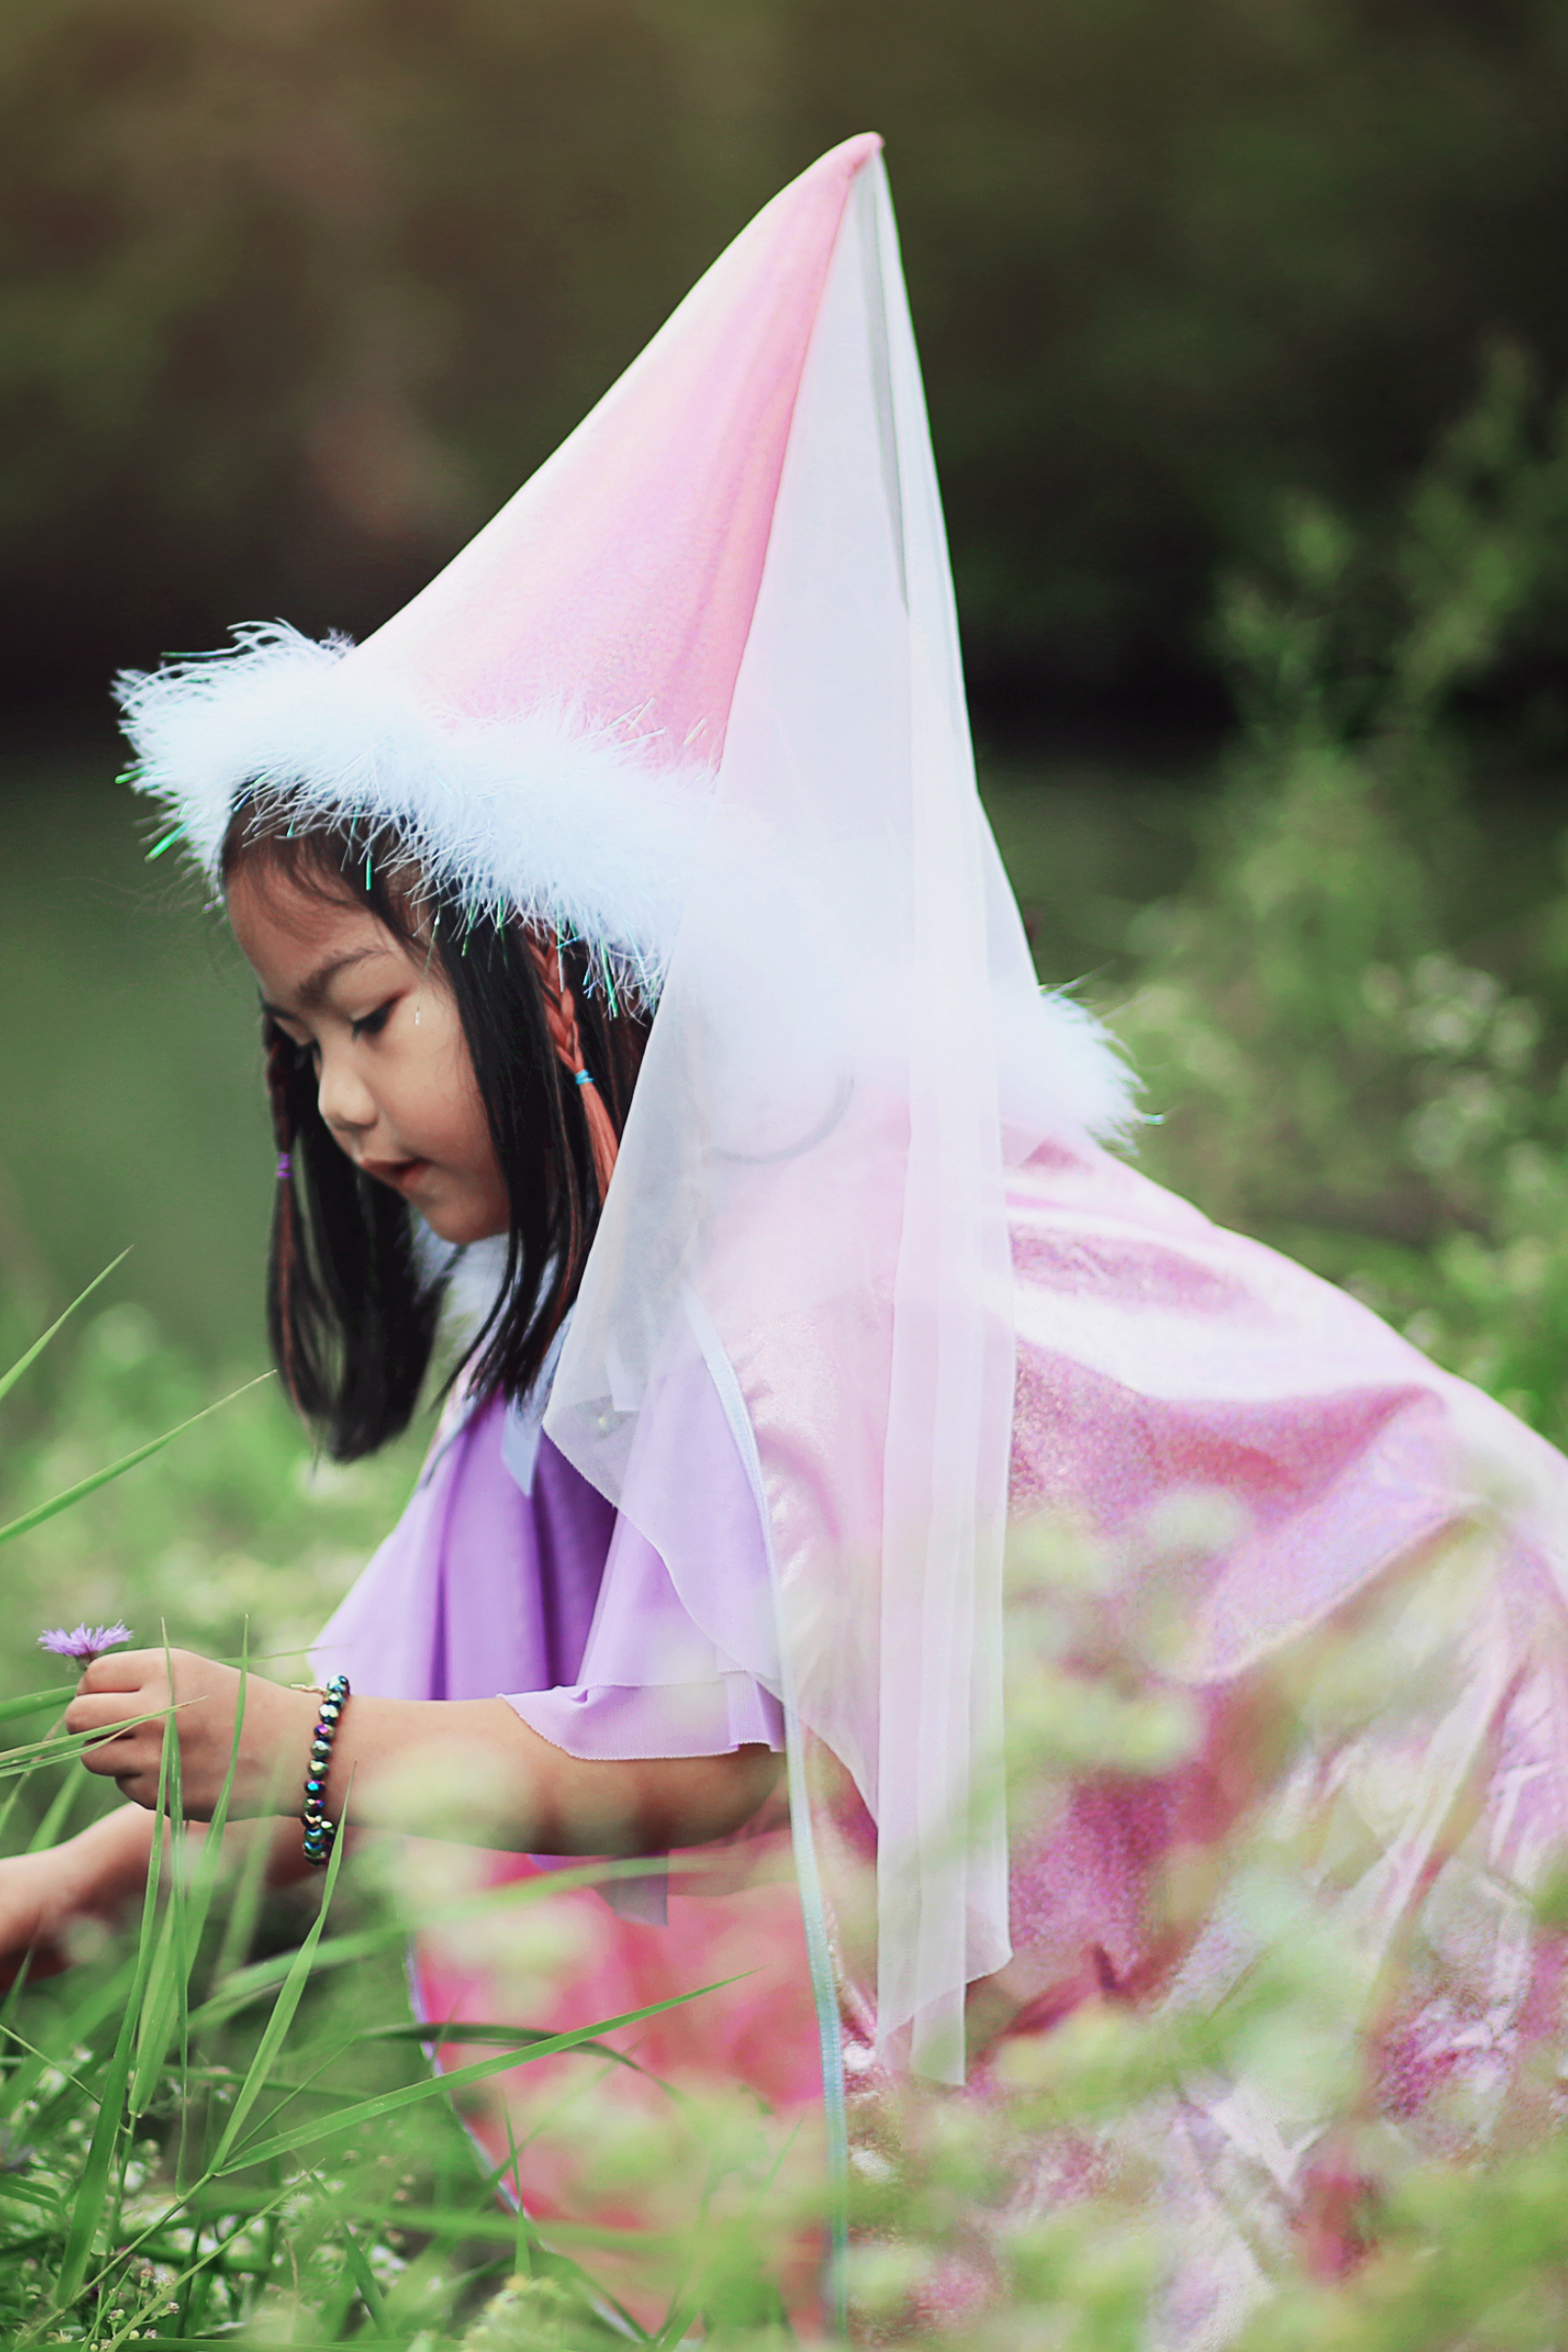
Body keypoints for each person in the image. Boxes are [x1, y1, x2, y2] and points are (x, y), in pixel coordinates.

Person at [5, 131, 1568, 2339]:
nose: (339, 1106)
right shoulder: (610, 1310)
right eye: (298, 1048)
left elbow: (739, 1751)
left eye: (363, 1016)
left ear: (560, 978)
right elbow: (435, 1643)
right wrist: (71, 1885)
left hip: (1446, 1727)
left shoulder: (811, 1286)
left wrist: (316, 1751)